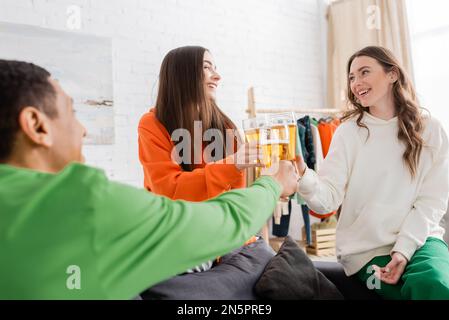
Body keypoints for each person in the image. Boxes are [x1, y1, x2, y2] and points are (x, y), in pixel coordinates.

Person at [0, 59, 299, 299]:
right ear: (36, 126)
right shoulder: (86, 203)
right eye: (71, 112)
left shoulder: (225, 126)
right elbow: (210, 216)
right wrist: (271, 183)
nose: (83, 130)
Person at [295, 46, 449, 300]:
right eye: (352, 77)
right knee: (404, 294)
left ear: (392, 75)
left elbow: (432, 202)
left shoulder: (430, 130)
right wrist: (304, 174)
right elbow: (327, 200)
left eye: (364, 72)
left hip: (422, 241)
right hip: (365, 252)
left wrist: (403, 250)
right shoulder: (347, 133)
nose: (356, 83)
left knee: (433, 286)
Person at [138, 46, 263, 272]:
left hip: (224, 237)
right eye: (207, 68)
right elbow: (169, 190)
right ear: (183, 74)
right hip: (178, 235)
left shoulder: (224, 127)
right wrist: (232, 164)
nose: (217, 76)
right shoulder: (152, 124)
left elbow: (235, 198)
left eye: (215, 68)